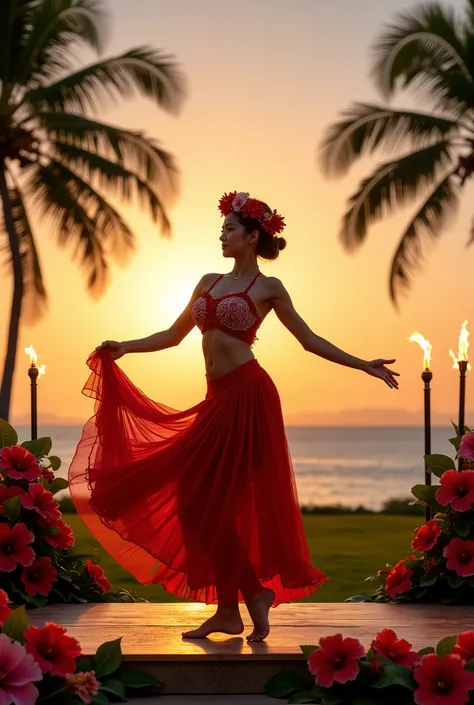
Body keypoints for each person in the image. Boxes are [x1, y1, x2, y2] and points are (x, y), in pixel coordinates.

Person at [68, 191, 399, 643]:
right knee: (193, 503)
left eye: (229, 229)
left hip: (249, 397)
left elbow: (308, 339)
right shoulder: (208, 280)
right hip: (217, 398)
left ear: (252, 235)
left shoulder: (269, 288)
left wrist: (363, 364)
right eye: (221, 229)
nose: (222, 236)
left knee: (213, 503)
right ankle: (244, 598)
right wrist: (126, 346)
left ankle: (234, 606)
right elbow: (172, 334)